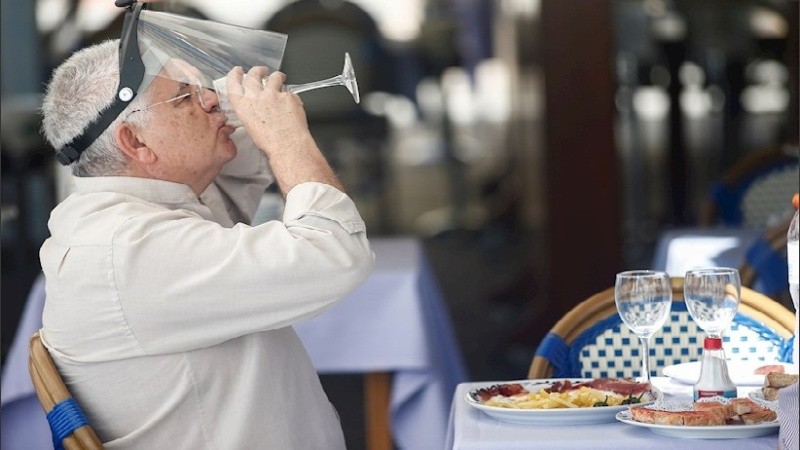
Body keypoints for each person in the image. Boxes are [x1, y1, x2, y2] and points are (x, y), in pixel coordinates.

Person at [38, 14, 374, 450]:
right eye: (184, 99)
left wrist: (228, 98)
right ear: (136, 144)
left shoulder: (130, 209)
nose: (211, 100)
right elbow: (335, 253)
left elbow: (234, 174)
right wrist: (287, 137)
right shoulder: (129, 250)